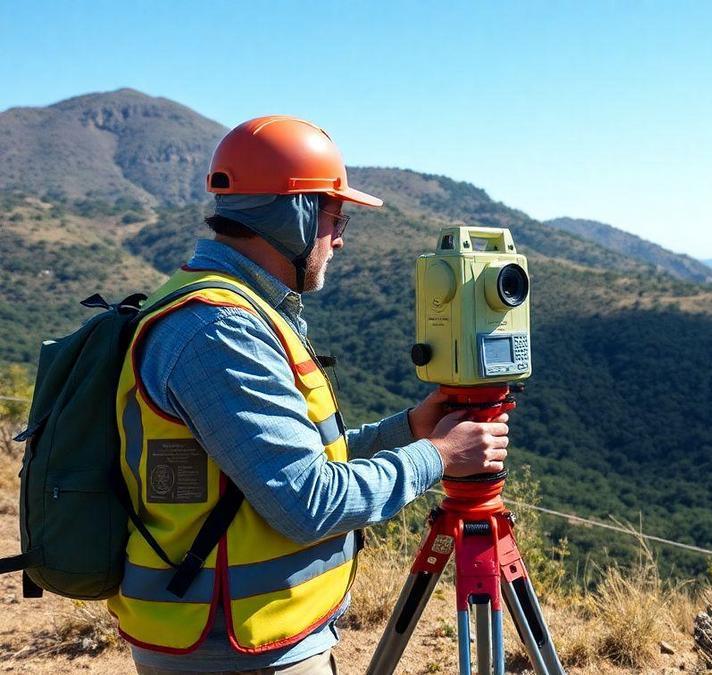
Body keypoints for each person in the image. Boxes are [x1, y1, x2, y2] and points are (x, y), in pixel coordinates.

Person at [106, 116, 510, 674]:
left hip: (253, 636)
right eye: (335, 217)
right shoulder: (219, 331)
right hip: (233, 650)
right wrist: (438, 456)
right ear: (295, 217)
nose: (340, 237)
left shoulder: (240, 310)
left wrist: (411, 429)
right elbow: (309, 503)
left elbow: (293, 459)